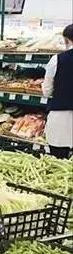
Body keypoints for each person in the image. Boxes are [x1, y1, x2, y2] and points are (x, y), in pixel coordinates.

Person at [42, 23, 73, 159]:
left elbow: (47, 91)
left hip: (61, 118)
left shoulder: (57, 59)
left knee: (59, 161)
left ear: (66, 39)